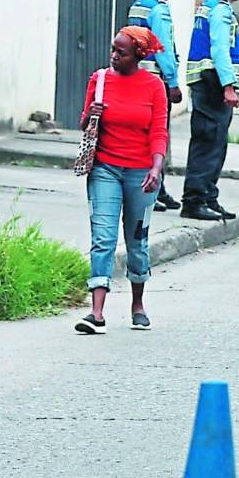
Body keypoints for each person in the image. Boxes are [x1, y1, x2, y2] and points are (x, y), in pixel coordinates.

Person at [74, 27, 167, 335]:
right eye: (113, 49)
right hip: (105, 169)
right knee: (103, 238)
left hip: (141, 173)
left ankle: (138, 305)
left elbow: (159, 131)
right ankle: (96, 313)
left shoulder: (154, 86)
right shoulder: (99, 80)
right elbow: (85, 124)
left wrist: (156, 168)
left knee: (137, 241)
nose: (114, 55)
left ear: (137, 56)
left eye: (121, 52)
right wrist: (90, 113)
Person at [182, 0, 239, 222]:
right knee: (209, 143)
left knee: (213, 142)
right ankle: (195, 200)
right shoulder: (221, 11)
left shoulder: (208, 6)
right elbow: (220, 49)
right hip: (213, 84)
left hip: (206, 82)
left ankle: (208, 197)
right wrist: (228, 87)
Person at [128, 0, 184, 212]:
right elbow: (162, 49)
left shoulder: (138, 5)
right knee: (156, 135)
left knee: (143, 133)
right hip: (155, 81)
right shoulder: (158, 9)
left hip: (137, 78)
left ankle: (158, 188)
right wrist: (172, 82)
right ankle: (151, 189)